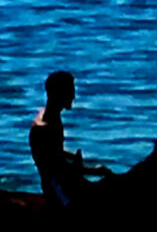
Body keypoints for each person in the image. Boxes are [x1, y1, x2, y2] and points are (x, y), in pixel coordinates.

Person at [30, 71, 103, 209]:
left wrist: (72, 158)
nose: (74, 97)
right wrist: (94, 171)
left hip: (59, 182)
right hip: (59, 191)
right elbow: (58, 168)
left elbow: (53, 152)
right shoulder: (47, 127)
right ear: (59, 94)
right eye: (70, 91)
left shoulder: (47, 116)